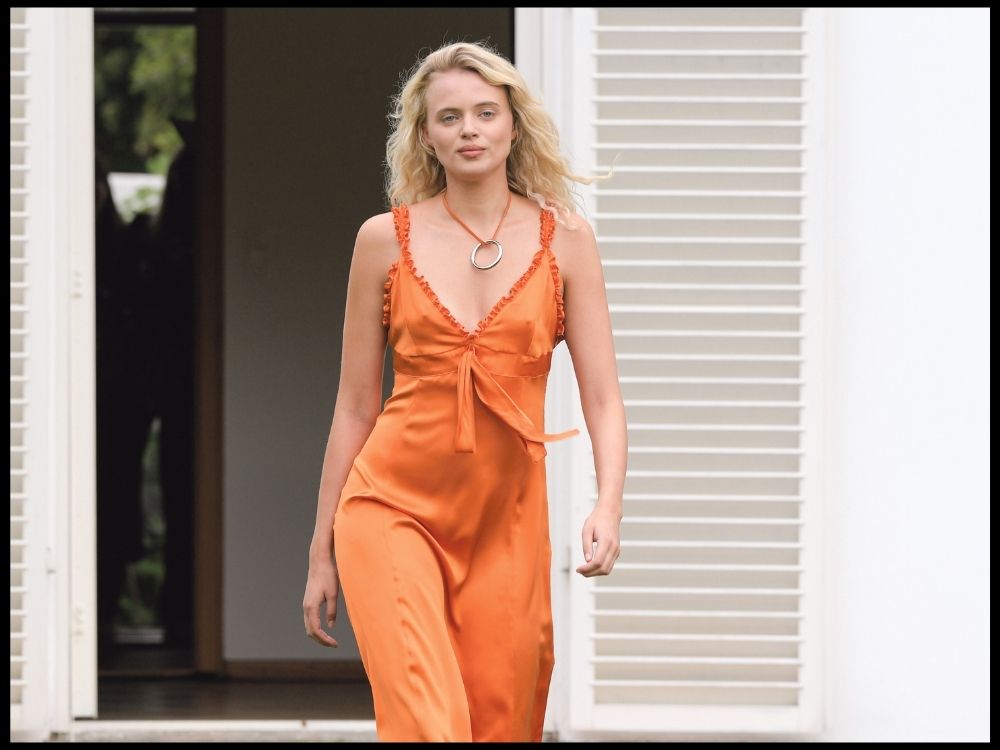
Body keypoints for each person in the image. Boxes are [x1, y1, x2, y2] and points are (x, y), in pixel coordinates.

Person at [302, 40, 627, 742]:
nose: (470, 129)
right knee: (430, 723)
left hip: (507, 528)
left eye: (486, 112)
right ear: (426, 134)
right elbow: (355, 405)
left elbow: (602, 396)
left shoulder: (566, 241)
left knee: (500, 725)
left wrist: (608, 502)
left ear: (514, 124)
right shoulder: (382, 241)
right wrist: (320, 549)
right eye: (450, 117)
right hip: (390, 508)